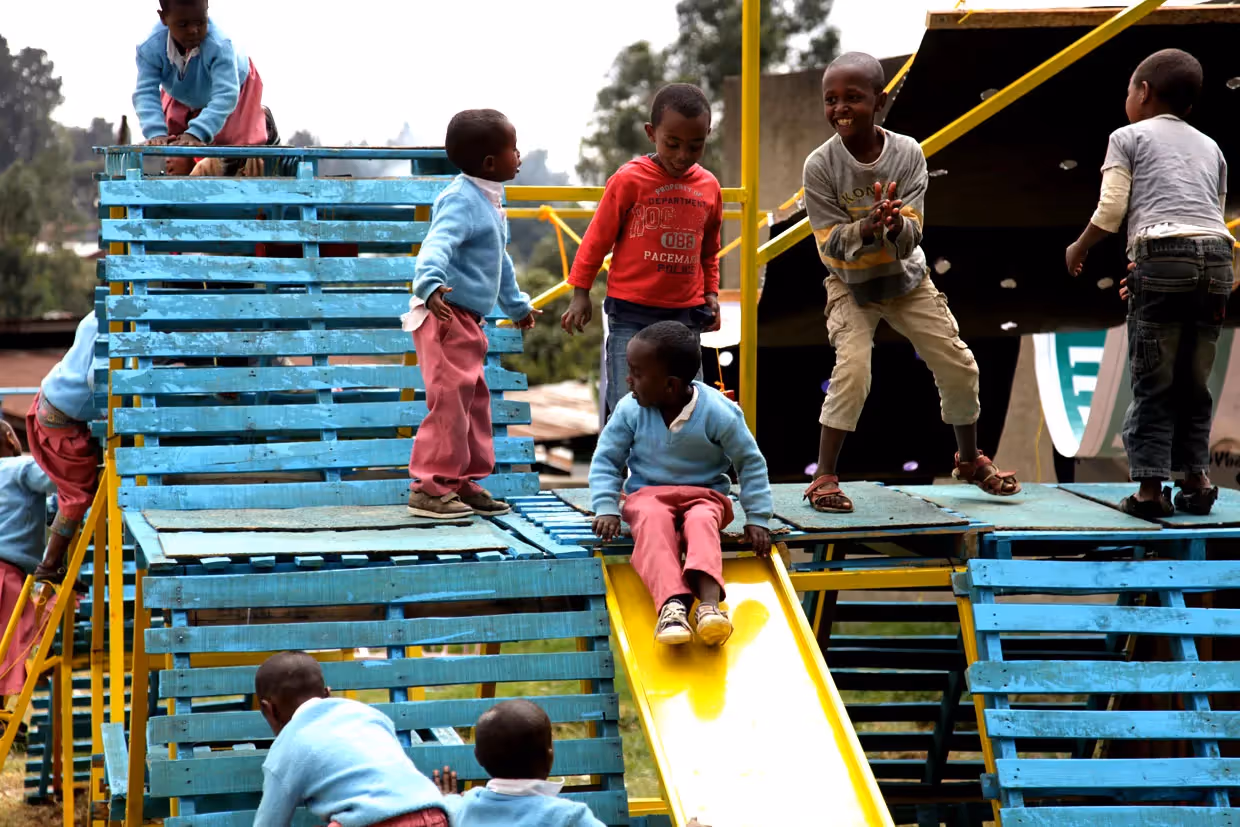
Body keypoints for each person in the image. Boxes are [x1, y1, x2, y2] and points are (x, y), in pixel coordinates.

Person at [801, 52, 1020, 514]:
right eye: (831, 99)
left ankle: (968, 459)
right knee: (854, 370)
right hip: (851, 287)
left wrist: (895, 225)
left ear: (879, 101)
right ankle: (824, 476)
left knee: (959, 364)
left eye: (853, 98)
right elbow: (829, 245)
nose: (841, 108)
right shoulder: (819, 166)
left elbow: (914, 234)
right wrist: (865, 227)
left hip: (906, 281)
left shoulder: (906, 153)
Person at [1066, 49, 1232, 517]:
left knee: (1153, 379)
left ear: (1142, 92)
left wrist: (1079, 247)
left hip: (1160, 258)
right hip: (1217, 262)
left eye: (1128, 89)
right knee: (1193, 381)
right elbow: (1209, 221)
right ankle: (1197, 483)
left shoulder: (1127, 136)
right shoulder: (1212, 147)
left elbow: (1113, 210)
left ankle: (1150, 492)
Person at [588, 321, 771, 647]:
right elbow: (607, 460)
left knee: (702, 523)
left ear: (670, 386)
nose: (629, 379)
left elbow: (750, 462)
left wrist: (757, 517)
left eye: (637, 373)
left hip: (705, 495)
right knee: (653, 520)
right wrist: (606, 507)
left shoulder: (720, 412)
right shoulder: (630, 409)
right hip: (648, 495)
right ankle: (672, 606)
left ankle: (710, 608)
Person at [560, 83, 724, 422]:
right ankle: (617, 475)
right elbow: (596, 239)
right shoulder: (629, 180)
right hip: (631, 316)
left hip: (684, 318)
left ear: (707, 135)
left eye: (695, 145)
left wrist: (711, 294)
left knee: (689, 409)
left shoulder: (709, 187)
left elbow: (709, 250)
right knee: (627, 407)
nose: (682, 155)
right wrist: (580, 293)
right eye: (672, 143)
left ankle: (684, 475)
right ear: (652, 133)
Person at [404, 109, 538, 520]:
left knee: (474, 403)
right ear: (491, 163)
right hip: (445, 316)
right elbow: (436, 245)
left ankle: (460, 480)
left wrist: (516, 306)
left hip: (468, 322)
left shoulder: (490, 200)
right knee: (449, 404)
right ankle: (429, 487)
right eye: (513, 149)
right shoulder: (460, 199)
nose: (520, 155)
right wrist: (429, 283)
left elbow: (500, 262)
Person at [252, 651, 451, 827]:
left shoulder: (287, 747)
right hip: (433, 813)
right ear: (327, 694)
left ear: (268, 709)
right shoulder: (369, 714)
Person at [134, 0, 267, 176]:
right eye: (183, 24)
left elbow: (225, 95)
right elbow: (145, 92)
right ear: (163, 18)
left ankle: (266, 122)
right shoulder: (149, 47)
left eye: (200, 22)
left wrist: (197, 133)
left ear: (207, 12)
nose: (193, 30)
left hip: (233, 86)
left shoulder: (220, 45)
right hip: (182, 87)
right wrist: (155, 132)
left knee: (235, 153)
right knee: (175, 139)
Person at [434, 699, 607, 826]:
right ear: (549, 756)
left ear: (478, 757)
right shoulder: (569, 816)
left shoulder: (466, 806)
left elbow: (452, 808)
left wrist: (447, 798)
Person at [26, 312, 101, 592]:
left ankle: (57, 561)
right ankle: (49, 566)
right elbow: (97, 377)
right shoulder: (115, 319)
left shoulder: (97, 313)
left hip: (52, 399)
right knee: (77, 495)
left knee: (76, 488)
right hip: (61, 419)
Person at [0, 421, 55, 697]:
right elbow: (56, 477)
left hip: (9, 568)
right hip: (6, 571)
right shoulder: (20, 467)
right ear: (11, 437)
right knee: (12, 641)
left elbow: (36, 511)